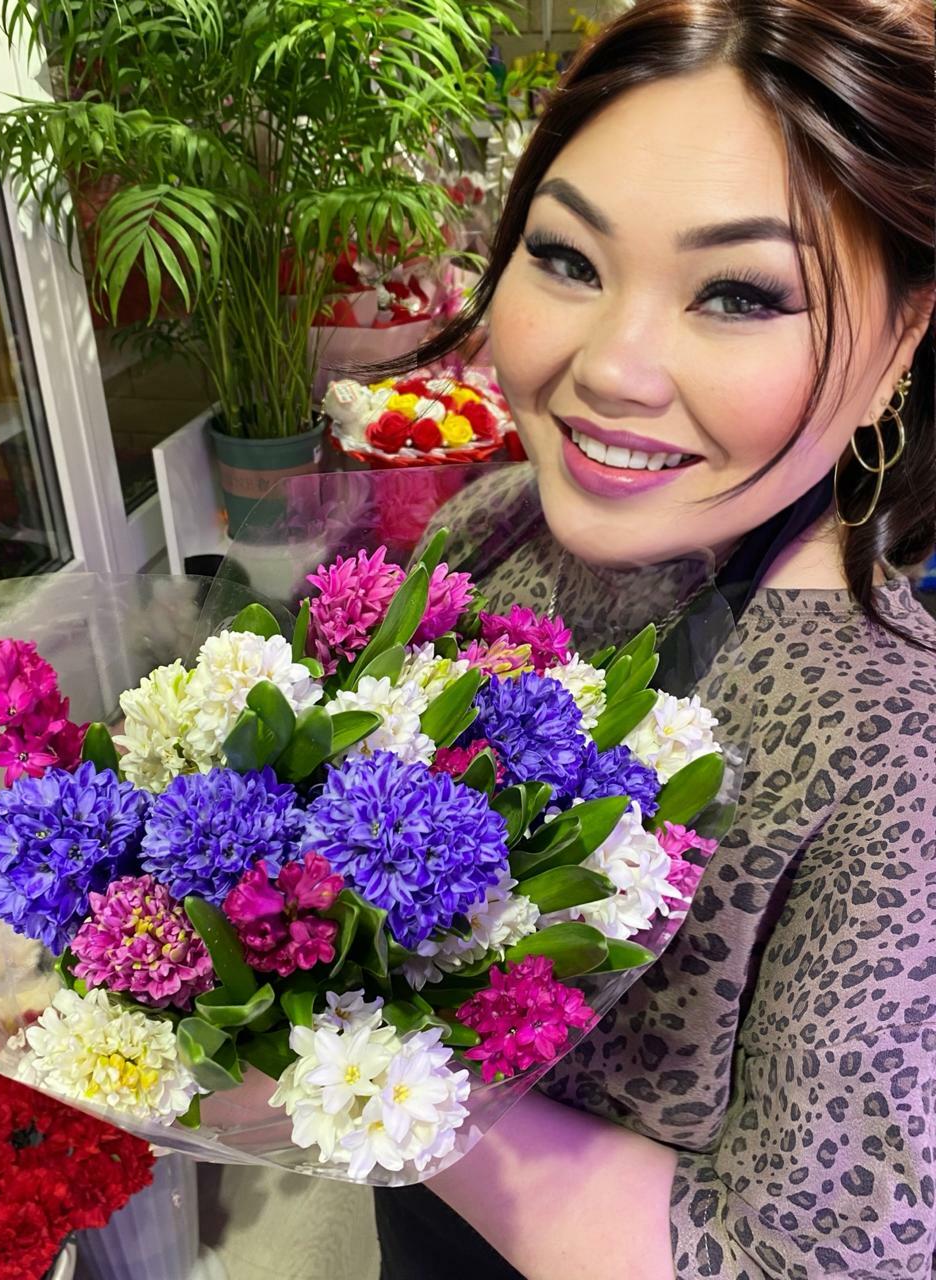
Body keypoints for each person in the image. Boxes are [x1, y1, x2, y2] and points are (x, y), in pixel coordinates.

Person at [370, 1, 936, 1276]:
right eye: (568, 259)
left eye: (738, 293)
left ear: (903, 337)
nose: (614, 367)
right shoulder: (486, 530)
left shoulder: (894, 753)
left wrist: (347, 1083)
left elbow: (808, 1258)